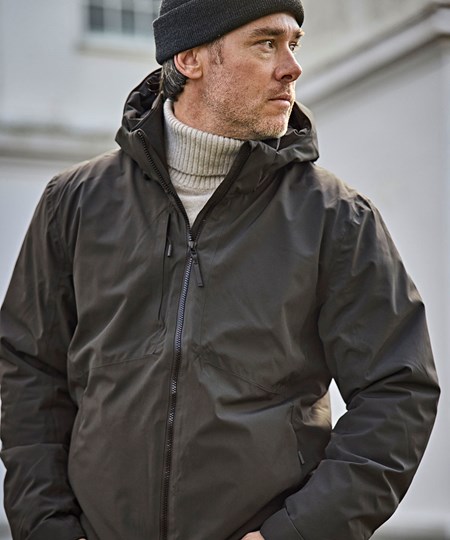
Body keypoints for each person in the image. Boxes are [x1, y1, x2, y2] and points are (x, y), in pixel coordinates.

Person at [0, 0, 440, 539]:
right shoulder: (73, 203)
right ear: (189, 58)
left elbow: (398, 391)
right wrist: (47, 527)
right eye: (266, 44)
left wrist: (297, 533)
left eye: (293, 44)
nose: (292, 67)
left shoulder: (336, 218)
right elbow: (28, 373)